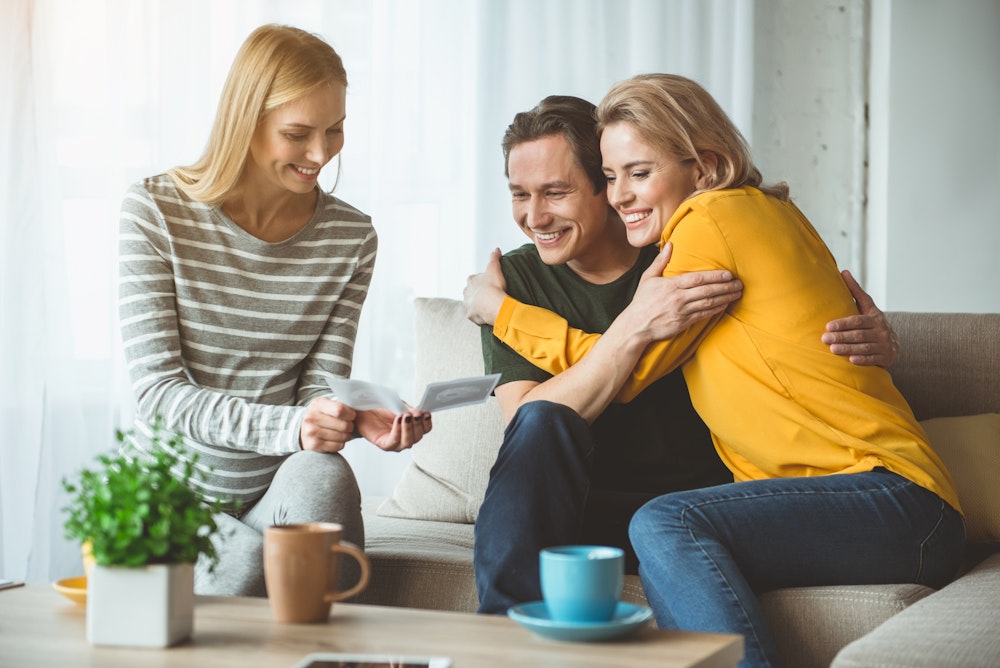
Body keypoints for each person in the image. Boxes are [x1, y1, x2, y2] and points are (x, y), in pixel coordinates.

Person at [470, 75, 966, 667]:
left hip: (866, 496)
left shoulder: (700, 231)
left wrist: (501, 314)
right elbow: (540, 417)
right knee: (563, 452)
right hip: (774, 500)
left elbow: (624, 372)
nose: (623, 194)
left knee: (667, 521)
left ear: (704, 168)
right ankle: (503, 647)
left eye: (637, 173)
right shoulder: (736, 219)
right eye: (612, 176)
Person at [117, 24, 431, 597]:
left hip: (273, 497)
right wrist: (294, 425)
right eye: (297, 133)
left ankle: (326, 647)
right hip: (170, 500)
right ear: (247, 120)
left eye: (334, 130)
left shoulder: (350, 237)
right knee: (243, 570)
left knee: (324, 475)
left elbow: (316, 385)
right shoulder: (155, 212)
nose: (320, 153)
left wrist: (347, 415)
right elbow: (156, 393)